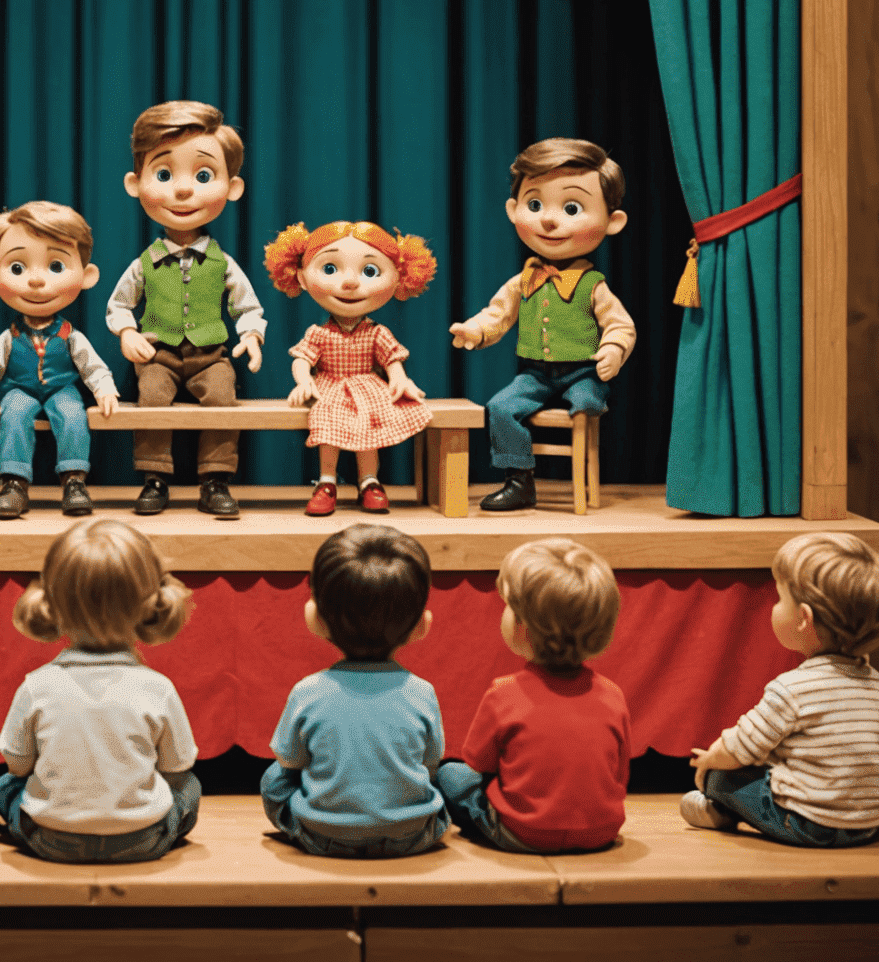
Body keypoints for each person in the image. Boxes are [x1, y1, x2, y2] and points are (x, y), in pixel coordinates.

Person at [0, 520, 200, 863]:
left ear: (52, 603)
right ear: (149, 603)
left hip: (49, 839)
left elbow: (17, 766)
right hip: (144, 839)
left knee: (3, 788)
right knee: (189, 787)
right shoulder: (158, 688)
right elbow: (177, 765)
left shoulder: (36, 686)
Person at [449, 138, 635, 512]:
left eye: (571, 207)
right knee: (500, 407)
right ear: (513, 209)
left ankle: (589, 408)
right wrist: (475, 330)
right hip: (535, 373)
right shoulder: (525, 280)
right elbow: (497, 313)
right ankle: (519, 480)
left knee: (583, 401)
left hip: (583, 370)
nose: (549, 219)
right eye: (535, 205)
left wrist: (613, 349)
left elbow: (620, 324)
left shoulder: (592, 285)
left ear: (612, 221)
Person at [683, 532, 879, 847]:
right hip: (869, 826)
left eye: (779, 598)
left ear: (803, 619)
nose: (774, 606)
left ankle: (723, 811)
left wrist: (708, 762)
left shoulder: (793, 687)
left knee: (721, 778)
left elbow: (741, 745)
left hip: (809, 825)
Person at [106, 100, 266, 519]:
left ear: (232, 187)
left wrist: (251, 335)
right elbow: (119, 305)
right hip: (159, 353)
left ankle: (214, 480)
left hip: (210, 353)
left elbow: (247, 305)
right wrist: (127, 334)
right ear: (134, 182)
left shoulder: (222, 262)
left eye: (203, 175)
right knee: (153, 395)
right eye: (163, 174)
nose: (182, 190)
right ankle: (155, 479)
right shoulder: (144, 263)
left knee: (221, 395)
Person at [261, 525, 450, 858]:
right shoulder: (423, 692)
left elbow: (290, 763)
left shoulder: (307, 691)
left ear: (315, 618)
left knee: (272, 779)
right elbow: (430, 765)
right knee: (450, 778)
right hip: (413, 836)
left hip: (322, 837)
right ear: (422, 625)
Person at [435, 538, 630, 853]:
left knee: (450, 775)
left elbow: (478, 766)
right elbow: (618, 774)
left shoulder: (504, 693)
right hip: (600, 833)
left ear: (524, 626)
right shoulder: (613, 695)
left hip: (522, 833)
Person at [264, 220, 437, 516]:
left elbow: (391, 359)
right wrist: (303, 380)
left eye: (370, 271)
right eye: (330, 269)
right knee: (328, 427)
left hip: (368, 386)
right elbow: (302, 358)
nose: (350, 283)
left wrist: (400, 379)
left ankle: (369, 482)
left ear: (399, 279)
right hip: (329, 386)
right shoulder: (319, 333)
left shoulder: (377, 333)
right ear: (301, 277)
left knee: (370, 430)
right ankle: (327, 482)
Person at [0, 202, 120, 519]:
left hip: (61, 388)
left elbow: (92, 365)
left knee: (73, 414)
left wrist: (104, 388)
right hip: (19, 388)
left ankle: (74, 481)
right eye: (18, 268)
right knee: (14, 414)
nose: (36, 281)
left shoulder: (70, 335)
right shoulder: (9, 336)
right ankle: (13, 483)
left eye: (56, 267)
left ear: (88, 275)